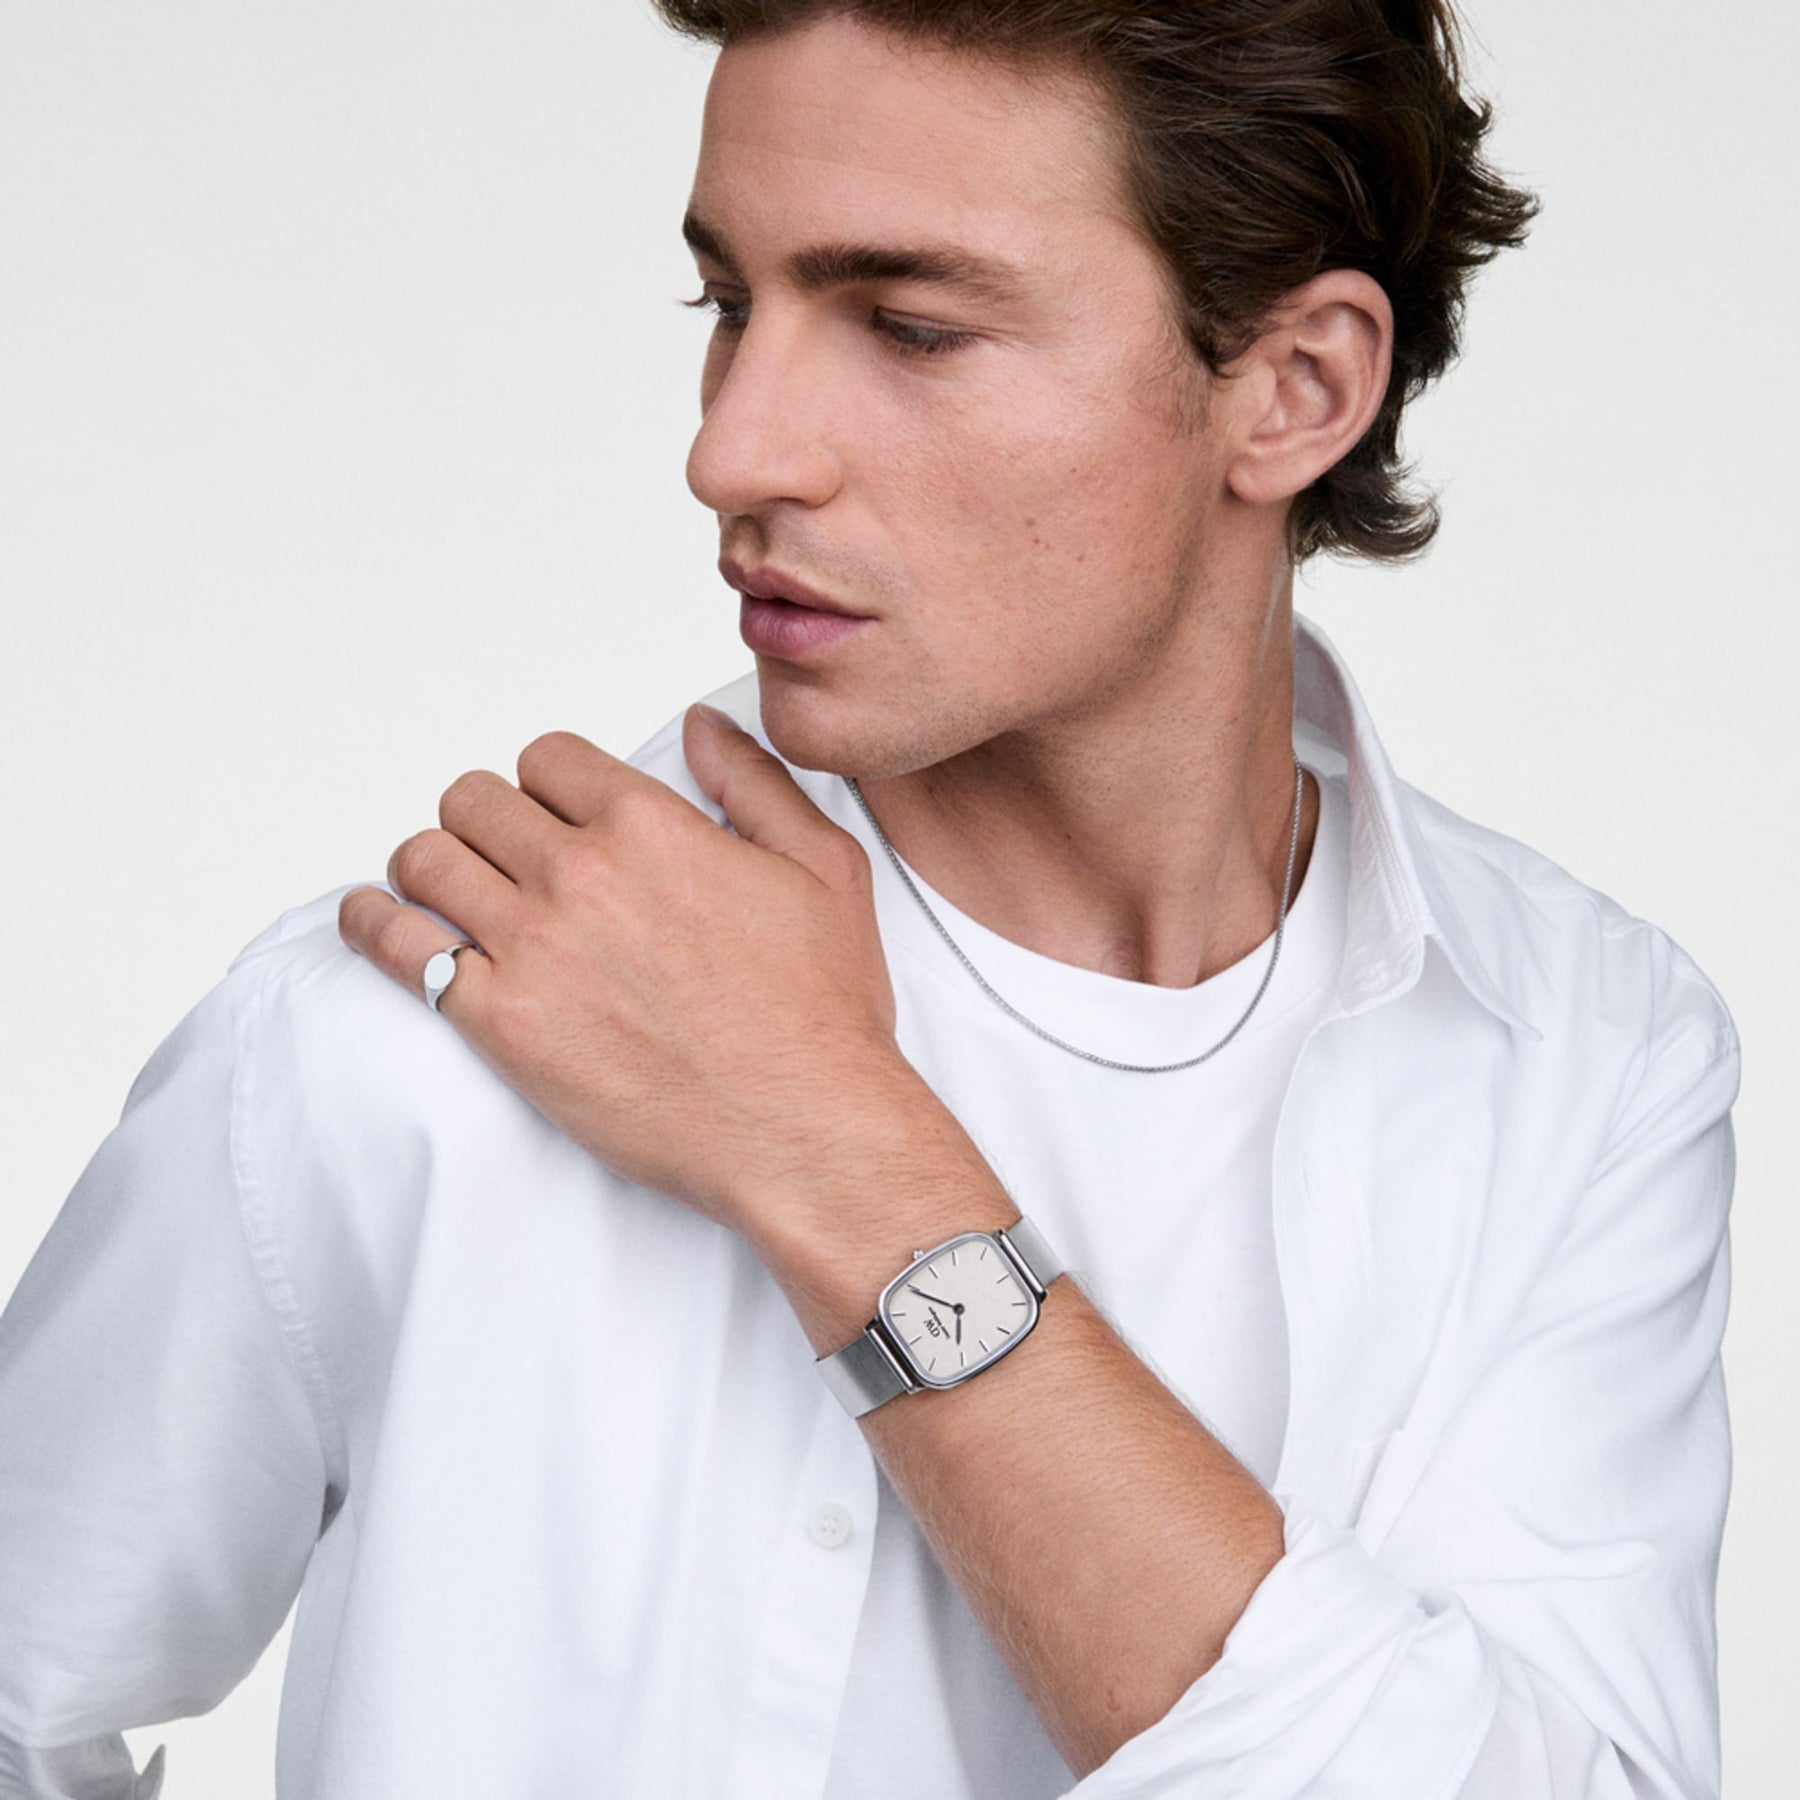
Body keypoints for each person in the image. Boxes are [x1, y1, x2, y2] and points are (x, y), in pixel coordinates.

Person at [0, 2, 1739, 1796]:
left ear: (1294, 387)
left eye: (911, 327)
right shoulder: (428, 1026)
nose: (732, 452)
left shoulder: (1579, 1056)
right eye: (727, 303)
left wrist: (841, 1155)